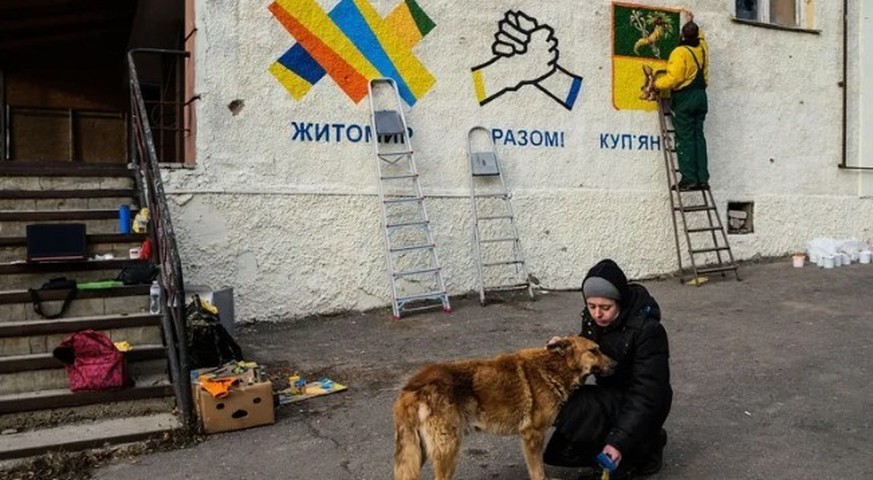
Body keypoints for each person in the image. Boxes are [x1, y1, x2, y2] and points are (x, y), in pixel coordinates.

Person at [543, 259, 673, 479]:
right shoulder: (595, 321)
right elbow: (582, 355)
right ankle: (608, 446)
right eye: (591, 306)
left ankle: (645, 449)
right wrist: (562, 351)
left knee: (588, 409)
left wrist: (617, 443)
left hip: (644, 403)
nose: (597, 314)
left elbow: (648, 395)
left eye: (605, 307)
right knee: (561, 400)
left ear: (619, 302)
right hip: (612, 394)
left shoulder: (648, 331)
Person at [654, 11, 710, 191]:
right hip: (701, 97)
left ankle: (689, 179)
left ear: (682, 35)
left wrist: (657, 83)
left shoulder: (680, 52)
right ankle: (702, 179)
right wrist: (692, 22)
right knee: (698, 137)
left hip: (685, 98)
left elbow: (674, 78)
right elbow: (701, 37)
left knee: (684, 138)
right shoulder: (702, 48)